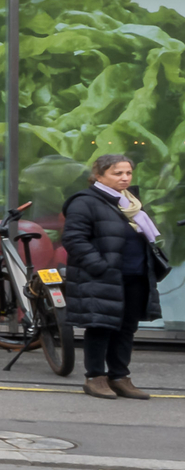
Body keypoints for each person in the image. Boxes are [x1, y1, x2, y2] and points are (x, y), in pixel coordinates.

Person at [64, 152, 163, 400]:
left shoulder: (130, 203)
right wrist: (100, 266)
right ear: (99, 175)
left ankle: (120, 376)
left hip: (135, 275)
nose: (125, 178)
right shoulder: (85, 201)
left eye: (128, 173)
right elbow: (74, 239)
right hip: (103, 276)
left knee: (126, 328)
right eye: (117, 173)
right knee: (101, 326)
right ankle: (95, 377)